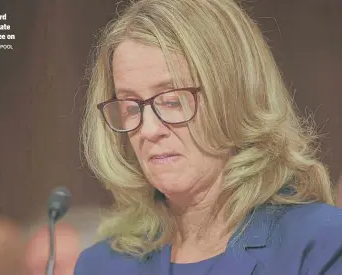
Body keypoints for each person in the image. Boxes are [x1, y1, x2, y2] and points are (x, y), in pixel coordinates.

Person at [75, 0, 342, 274]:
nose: (149, 129)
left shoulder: (319, 244)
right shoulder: (100, 265)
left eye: (172, 100)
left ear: (235, 98)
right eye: (130, 106)